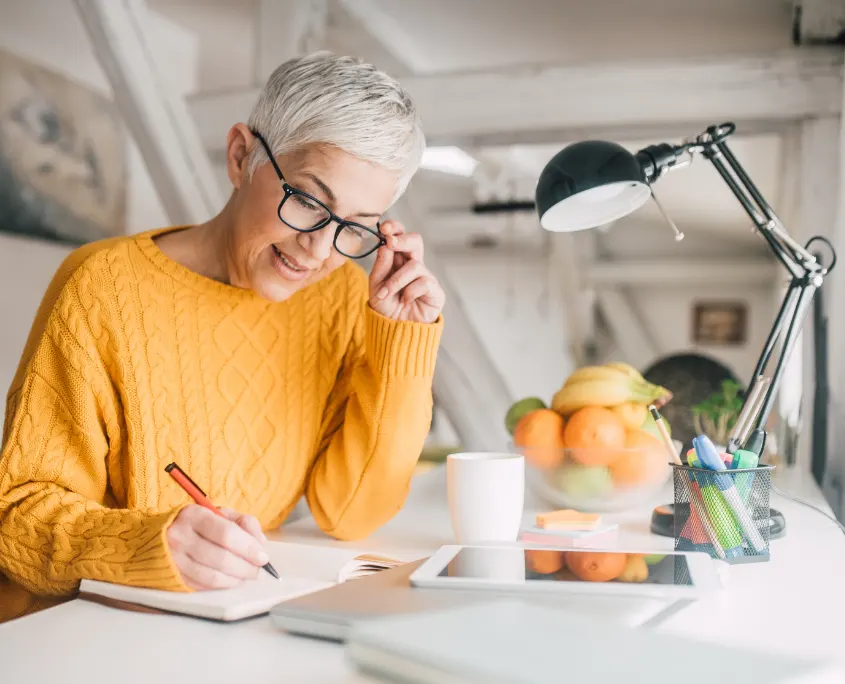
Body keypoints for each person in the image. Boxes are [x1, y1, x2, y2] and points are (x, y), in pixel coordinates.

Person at [0, 52, 445, 622]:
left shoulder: (339, 300)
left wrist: (401, 340)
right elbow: (18, 518)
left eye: (355, 227)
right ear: (241, 156)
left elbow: (351, 513)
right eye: (308, 201)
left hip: (240, 627)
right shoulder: (102, 287)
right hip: (84, 631)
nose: (319, 250)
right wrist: (147, 544)